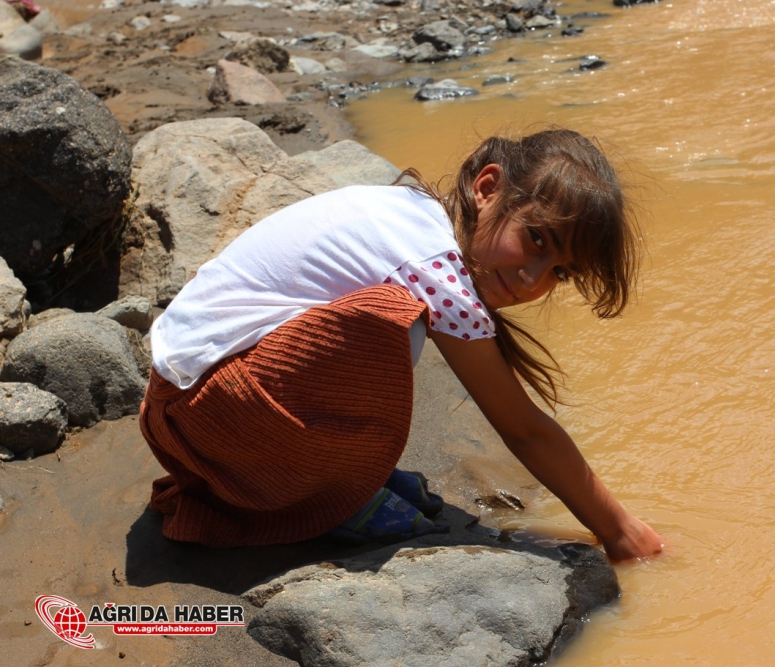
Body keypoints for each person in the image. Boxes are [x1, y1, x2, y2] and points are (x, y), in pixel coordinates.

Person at [139, 128, 663, 563]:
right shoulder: (430, 269)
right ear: (487, 187)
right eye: (537, 240)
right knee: (390, 320)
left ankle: (337, 479)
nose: (531, 279)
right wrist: (620, 530)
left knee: (390, 316)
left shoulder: (414, 214)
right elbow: (524, 430)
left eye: (560, 272)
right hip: (207, 415)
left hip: (186, 399)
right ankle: (336, 502)